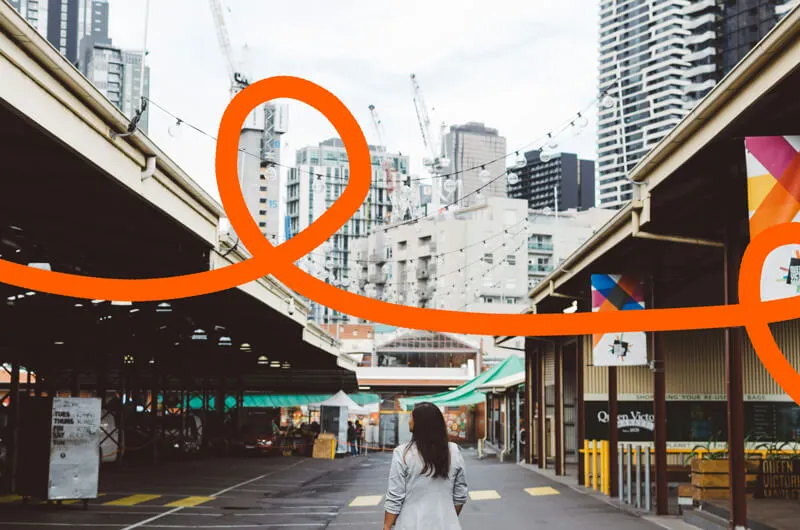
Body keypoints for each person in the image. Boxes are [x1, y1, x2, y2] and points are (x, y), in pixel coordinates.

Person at [384, 402, 468, 530]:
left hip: (410, 524)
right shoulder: (454, 451)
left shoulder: (402, 453)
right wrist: (446, 516)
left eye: (411, 417)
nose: (409, 421)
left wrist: (386, 527)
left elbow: (395, 496)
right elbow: (460, 495)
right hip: (446, 524)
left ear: (421, 423)